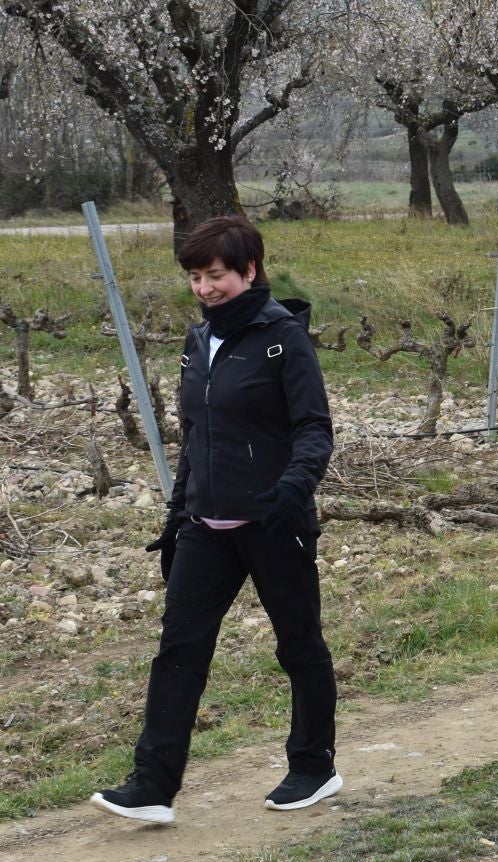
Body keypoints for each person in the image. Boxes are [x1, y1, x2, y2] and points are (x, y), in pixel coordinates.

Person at [92, 215, 341, 824]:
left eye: (217, 275)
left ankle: (314, 767)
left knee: (299, 645)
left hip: (275, 524)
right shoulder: (196, 344)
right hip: (207, 526)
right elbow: (197, 438)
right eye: (196, 278)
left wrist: (292, 492)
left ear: (249, 271)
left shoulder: (284, 338)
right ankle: (153, 786)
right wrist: (178, 518)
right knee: (178, 650)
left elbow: (314, 429)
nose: (205, 288)